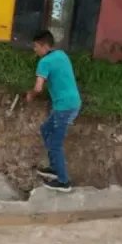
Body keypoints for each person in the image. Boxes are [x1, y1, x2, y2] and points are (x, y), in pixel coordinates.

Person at [25, 30, 81, 192]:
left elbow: (38, 87)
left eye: (36, 46)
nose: (34, 50)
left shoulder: (44, 62)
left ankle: (64, 182)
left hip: (64, 107)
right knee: (45, 129)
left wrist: (30, 95)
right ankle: (55, 168)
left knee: (55, 144)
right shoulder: (61, 55)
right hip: (72, 103)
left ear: (44, 46)